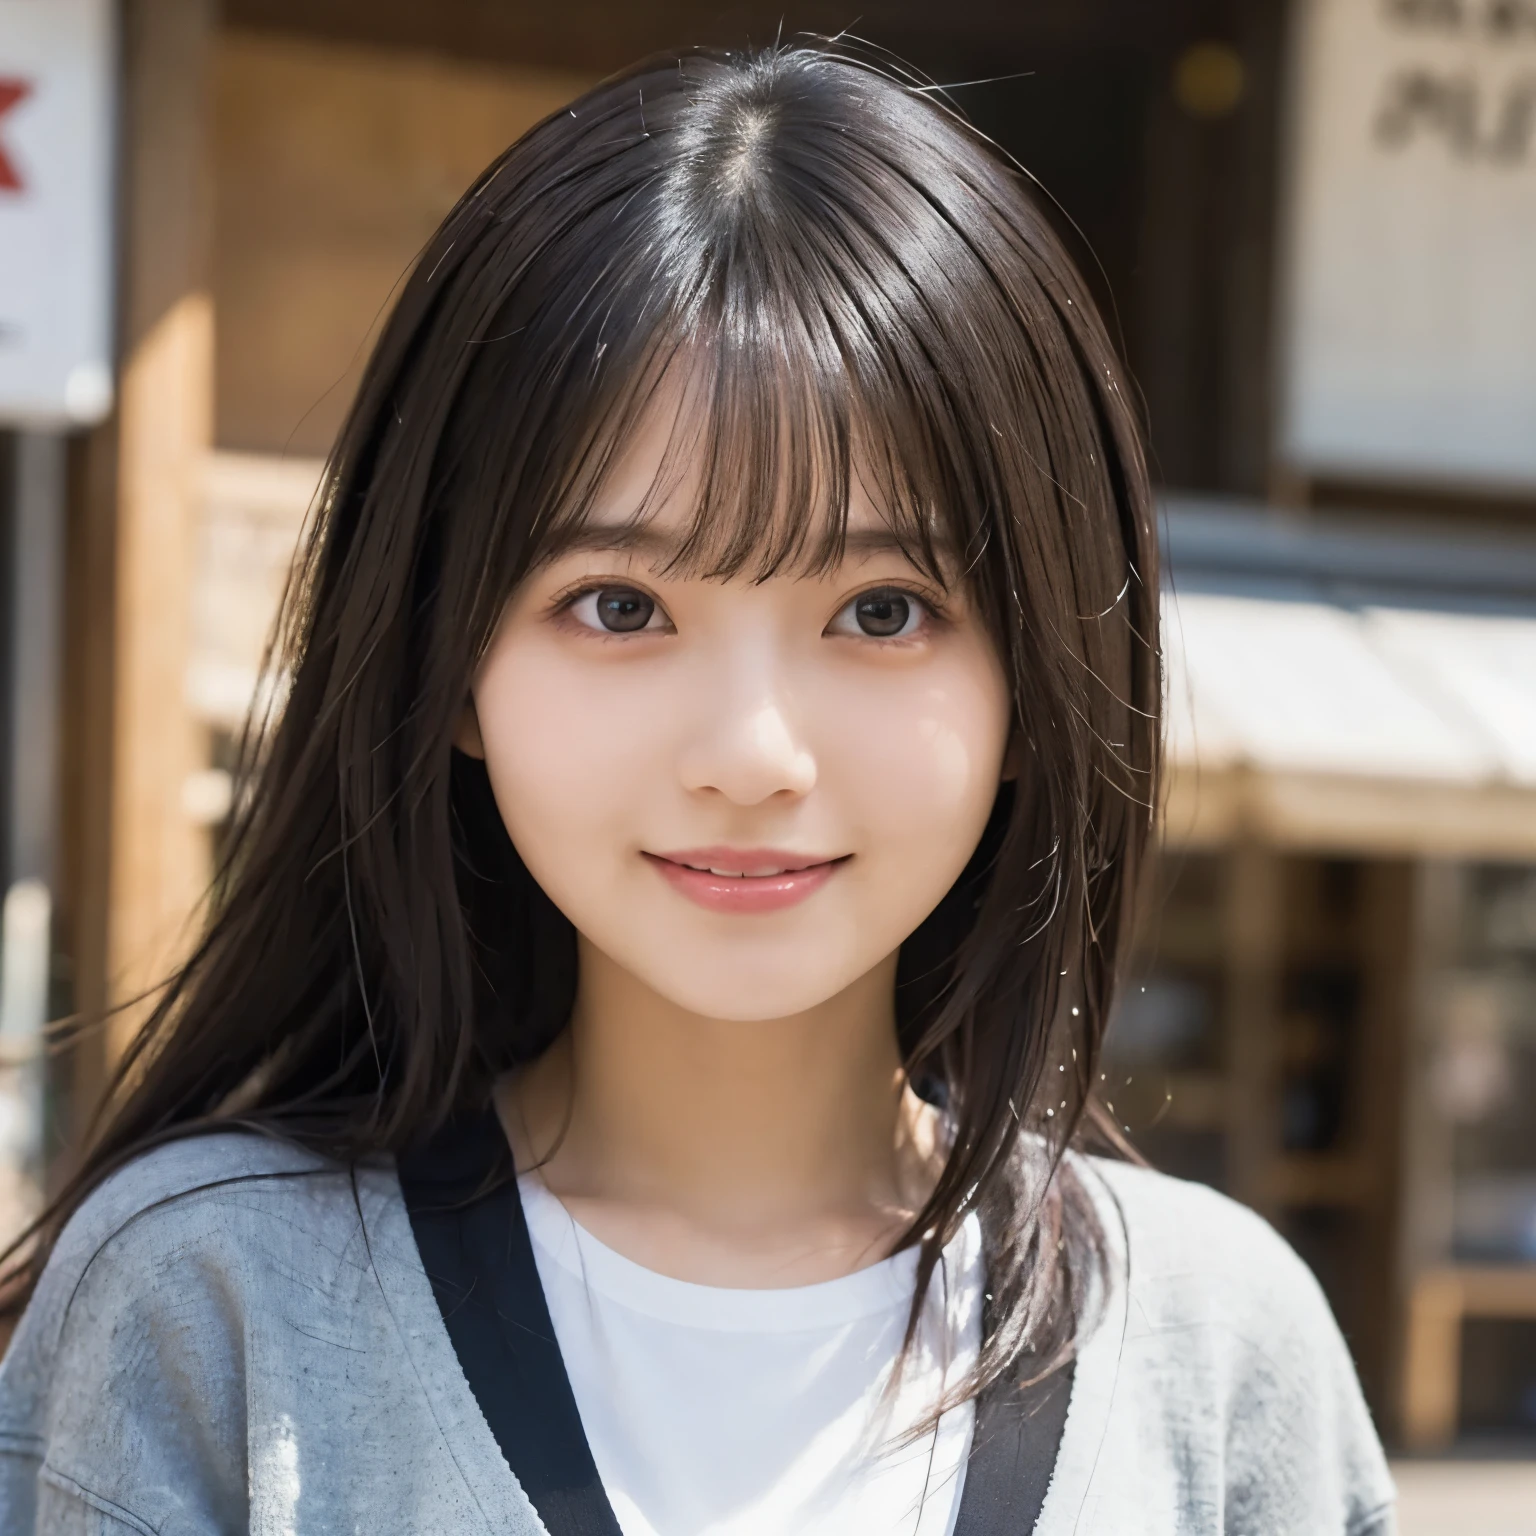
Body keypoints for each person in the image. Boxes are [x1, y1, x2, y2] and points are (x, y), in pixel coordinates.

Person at [0, 44, 1395, 1536]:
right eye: (618, 606)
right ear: (449, 660)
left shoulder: (1215, 1347)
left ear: (1035, 686)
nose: (750, 753)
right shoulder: (216, 1312)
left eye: (881, 610)